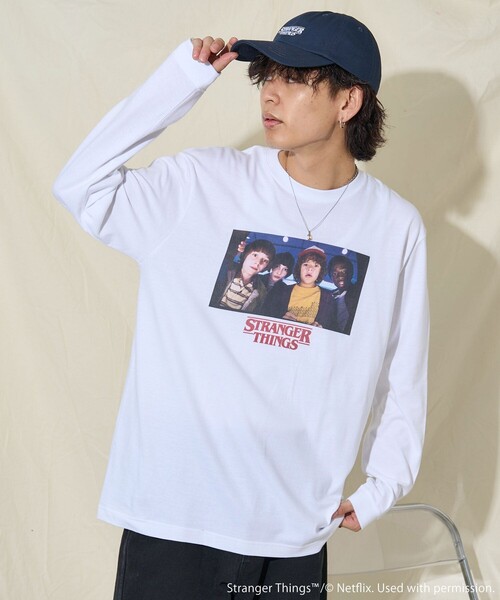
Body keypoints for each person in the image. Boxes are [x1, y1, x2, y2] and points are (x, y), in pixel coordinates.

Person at [53, 10, 429, 600]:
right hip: (174, 522)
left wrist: (384, 484)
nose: (270, 93)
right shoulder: (201, 185)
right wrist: (179, 81)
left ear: (348, 101)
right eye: (268, 75)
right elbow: (81, 185)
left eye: (295, 79)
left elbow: (403, 367)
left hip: (294, 532)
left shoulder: (395, 226)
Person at [262, 246, 334, 328]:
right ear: (299, 268)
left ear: (321, 271)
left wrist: (321, 330)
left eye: (316, 265)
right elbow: (265, 317)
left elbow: (333, 328)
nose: (310, 269)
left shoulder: (328, 298)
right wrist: (280, 320)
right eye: (306, 264)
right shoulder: (281, 291)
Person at [210, 237, 276, 312]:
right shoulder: (225, 271)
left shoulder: (261, 291)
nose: (258, 262)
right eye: (255, 255)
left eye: (265, 260)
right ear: (245, 254)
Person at [328, 254, 362, 334]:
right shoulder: (329, 297)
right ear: (331, 278)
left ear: (351, 273)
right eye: (335, 273)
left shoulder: (357, 292)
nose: (340, 276)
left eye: (344, 272)